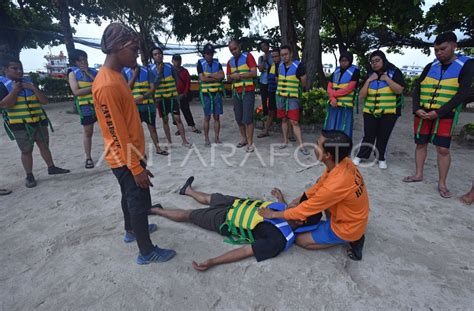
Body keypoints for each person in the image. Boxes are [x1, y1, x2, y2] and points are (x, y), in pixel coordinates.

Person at [92, 23, 176, 264]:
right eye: (134, 48)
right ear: (118, 46)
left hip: (129, 154)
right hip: (124, 157)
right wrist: (136, 168)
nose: (137, 54)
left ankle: (132, 230)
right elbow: (117, 134)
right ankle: (146, 252)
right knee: (138, 202)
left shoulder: (117, 76)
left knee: (129, 197)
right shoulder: (106, 84)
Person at [149, 176, 320, 271]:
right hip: (240, 204)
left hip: (226, 220)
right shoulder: (287, 211)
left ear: (300, 219)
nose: (294, 202)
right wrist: (280, 197)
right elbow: (282, 209)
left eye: (298, 205)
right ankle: (187, 191)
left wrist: (213, 261)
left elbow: (245, 251)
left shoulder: (278, 240)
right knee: (210, 198)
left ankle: (157, 210)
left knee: (189, 215)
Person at [259, 130, 369, 260]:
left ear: (328, 155)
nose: (314, 147)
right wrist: (300, 198)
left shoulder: (334, 186)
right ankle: (340, 229)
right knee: (317, 186)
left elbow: (303, 210)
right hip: (353, 216)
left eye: (318, 145)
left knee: (300, 240)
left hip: (348, 226)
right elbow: (321, 183)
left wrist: (273, 214)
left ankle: (351, 239)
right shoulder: (344, 162)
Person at [403, 32, 474, 198]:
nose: (439, 53)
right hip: (423, 112)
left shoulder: (467, 65)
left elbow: (462, 93)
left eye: (443, 49)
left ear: (454, 46)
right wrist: (416, 108)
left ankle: (442, 183)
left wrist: (439, 112)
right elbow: (418, 88)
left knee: (442, 148)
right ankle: (418, 174)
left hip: (445, 114)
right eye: (436, 50)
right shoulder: (430, 66)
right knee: (421, 144)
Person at [0, 56, 70, 188]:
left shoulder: (29, 82)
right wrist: (15, 90)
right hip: (20, 125)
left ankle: (51, 167)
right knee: (26, 151)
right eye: (14, 68)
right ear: (4, 69)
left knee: (44, 146)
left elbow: (44, 101)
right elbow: (4, 105)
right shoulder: (2, 85)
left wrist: (33, 88)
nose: (19, 71)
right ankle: (29, 175)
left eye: (20, 68)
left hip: (38, 121)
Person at [353, 50, 405, 169]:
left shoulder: (394, 72)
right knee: (368, 135)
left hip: (389, 111)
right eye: (372, 62)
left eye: (377, 61)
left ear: (383, 60)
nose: (374, 64)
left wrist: (386, 79)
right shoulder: (369, 74)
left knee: (383, 135)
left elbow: (399, 90)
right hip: (370, 110)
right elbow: (361, 95)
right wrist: (368, 80)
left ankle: (381, 158)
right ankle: (361, 155)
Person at [149, 47, 191, 148]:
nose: (158, 55)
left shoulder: (170, 66)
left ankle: (184, 140)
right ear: (153, 57)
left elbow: (176, 80)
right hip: (161, 98)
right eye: (155, 54)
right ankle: (169, 141)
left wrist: (174, 92)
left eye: (159, 53)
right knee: (165, 120)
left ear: (162, 55)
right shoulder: (150, 69)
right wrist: (159, 73)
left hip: (172, 97)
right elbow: (152, 86)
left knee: (177, 118)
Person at [122, 64, 168, 156]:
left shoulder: (147, 71)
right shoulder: (124, 72)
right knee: (136, 131)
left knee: (152, 128)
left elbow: (152, 88)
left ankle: (158, 148)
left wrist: (143, 97)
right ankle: (140, 152)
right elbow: (126, 89)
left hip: (148, 105)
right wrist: (134, 75)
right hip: (134, 107)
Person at [276, 45, 309, 155]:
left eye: (286, 54)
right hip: (281, 96)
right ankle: (285, 141)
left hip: (293, 97)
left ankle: (301, 146)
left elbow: (304, 81)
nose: (284, 57)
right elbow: (277, 79)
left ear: (290, 54)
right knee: (284, 120)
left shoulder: (298, 66)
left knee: (294, 121)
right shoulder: (279, 66)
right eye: (282, 55)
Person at [67, 49, 98, 169]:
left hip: (99, 104)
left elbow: (102, 85)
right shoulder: (72, 73)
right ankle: (88, 157)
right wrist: (94, 87)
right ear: (75, 62)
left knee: (109, 128)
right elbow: (76, 91)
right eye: (80, 60)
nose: (84, 62)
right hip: (85, 106)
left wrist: (89, 74)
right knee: (88, 132)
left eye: (85, 59)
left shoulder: (94, 72)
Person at [227, 39, 258, 153]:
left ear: (239, 46)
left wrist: (239, 75)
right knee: (238, 117)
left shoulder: (248, 56)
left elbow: (254, 73)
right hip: (236, 92)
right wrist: (231, 77)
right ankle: (244, 138)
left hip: (248, 90)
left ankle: (250, 143)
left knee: (248, 118)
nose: (233, 51)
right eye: (231, 50)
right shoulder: (229, 62)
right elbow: (228, 78)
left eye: (235, 48)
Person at [324, 51, 360, 138]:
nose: (343, 63)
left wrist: (333, 94)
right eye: (341, 61)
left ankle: (344, 150)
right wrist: (332, 98)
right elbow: (329, 86)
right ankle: (330, 148)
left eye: (345, 61)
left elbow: (349, 88)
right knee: (331, 127)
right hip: (334, 104)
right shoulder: (336, 71)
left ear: (350, 61)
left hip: (345, 106)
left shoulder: (355, 71)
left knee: (344, 129)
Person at [197, 43, 225, 146]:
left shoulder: (217, 63)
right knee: (207, 117)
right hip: (206, 94)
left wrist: (210, 76)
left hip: (216, 93)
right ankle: (206, 138)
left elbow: (222, 76)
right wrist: (215, 76)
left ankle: (217, 137)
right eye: (207, 54)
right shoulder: (200, 63)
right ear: (204, 54)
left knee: (217, 117)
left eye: (211, 53)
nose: (209, 55)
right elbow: (202, 78)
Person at [172, 54, 201, 135]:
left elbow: (188, 83)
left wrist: (184, 93)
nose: (177, 62)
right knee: (175, 113)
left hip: (183, 95)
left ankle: (193, 127)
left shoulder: (185, 71)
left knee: (187, 111)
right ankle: (179, 128)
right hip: (174, 96)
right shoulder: (170, 71)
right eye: (176, 60)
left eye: (179, 60)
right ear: (172, 61)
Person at [257, 47, 280, 138]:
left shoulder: (283, 66)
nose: (274, 58)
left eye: (276, 56)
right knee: (271, 112)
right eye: (273, 57)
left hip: (282, 93)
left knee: (285, 114)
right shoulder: (272, 66)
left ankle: (290, 134)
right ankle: (265, 130)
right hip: (272, 92)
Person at [257, 40, 273, 135]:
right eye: (262, 47)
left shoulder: (273, 56)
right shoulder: (260, 58)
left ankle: (270, 122)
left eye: (265, 46)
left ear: (268, 46)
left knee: (271, 102)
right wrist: (264, 60)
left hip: (271, 82)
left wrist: (267, 59)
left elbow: (273, 66)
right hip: (263, 81)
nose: (264, 48)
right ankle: (265, 121)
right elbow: (260, 69)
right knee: (264, 102)